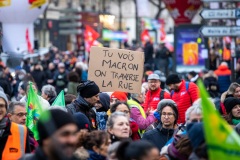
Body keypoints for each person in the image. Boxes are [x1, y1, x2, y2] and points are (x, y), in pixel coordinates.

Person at [0, 90, 31, 159]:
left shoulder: (22, 131)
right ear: (10, 115)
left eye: (1, 105)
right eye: (20, 115)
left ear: (6, 108)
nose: (24, 118)